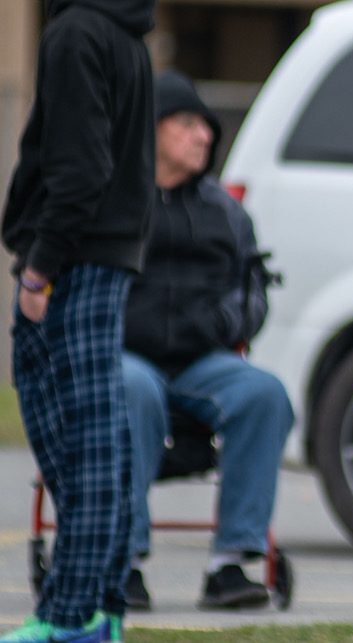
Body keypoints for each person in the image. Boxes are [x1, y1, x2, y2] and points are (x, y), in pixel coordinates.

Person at [0, 0, 155, 641]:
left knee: (82, 445)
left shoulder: (74, 34)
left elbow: (81, 167)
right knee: (100, 443)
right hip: (106, 255)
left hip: (74, 259)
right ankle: (102, 608)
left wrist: (40, 268)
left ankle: (72, 615)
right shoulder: (125, 35)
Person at [120, 70, 293, 612]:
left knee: (263, 393)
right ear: (150, 130)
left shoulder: (225, 211)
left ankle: (230, 565)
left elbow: (252, 292)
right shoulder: (108, 203)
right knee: (134, 390)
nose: (205, 137)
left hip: (200, 361)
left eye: (207, 128)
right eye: (189, 124)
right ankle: (120, 561)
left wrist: (222, 326)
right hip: (124, 357)